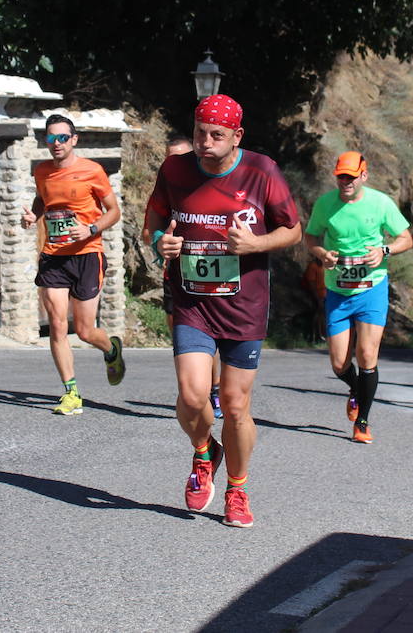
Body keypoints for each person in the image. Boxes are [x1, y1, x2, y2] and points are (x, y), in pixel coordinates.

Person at [147, 94, 301, 528]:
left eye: (217, 135)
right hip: (193, 301)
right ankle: (203, 453)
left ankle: (237, 487)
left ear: (237, 137)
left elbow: (293, 230)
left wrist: (256, 244)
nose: (205, 142)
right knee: (193, 395)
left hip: (244, 307)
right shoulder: (174, 170)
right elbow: (152, 224)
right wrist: (162, 242)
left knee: (234, 406)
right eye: (200, 133)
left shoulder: (261, 170)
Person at [304, 151, 412, 443]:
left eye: (351, 176)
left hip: (372, 289)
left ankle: (362, 421)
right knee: (339, 364)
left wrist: (384, 250)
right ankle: (356, 388)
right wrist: (321, 254)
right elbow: (311, 237)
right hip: (338, 291)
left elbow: (406, 238)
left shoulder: (380, 203)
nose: (346, 181)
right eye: (341, 176)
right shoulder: (326, 204)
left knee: (367, 355)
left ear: (364, 175)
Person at [20, 113, 125, 415]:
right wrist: (33, 216)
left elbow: (113, 211)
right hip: (54, 256)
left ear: (74, 139)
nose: (56, 143)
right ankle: (71, 393)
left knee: (85, 331)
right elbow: (43, 200)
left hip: (88, 254)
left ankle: (111, 349)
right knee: (56, 325)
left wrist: (91, 229)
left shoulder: (92, 171)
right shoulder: (41, 171)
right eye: (51, 138)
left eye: (62, 138)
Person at [162, 134, 223, 419]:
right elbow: (151, 230)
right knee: (182, 336)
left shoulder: (214, 183)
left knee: (211, 334)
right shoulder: (165, 187)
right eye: (169, 157)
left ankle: (215, 389)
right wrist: (160, 243)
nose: (174, 163)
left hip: (218, 277)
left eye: (180, 157)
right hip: (177, 277)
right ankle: (194, 392)